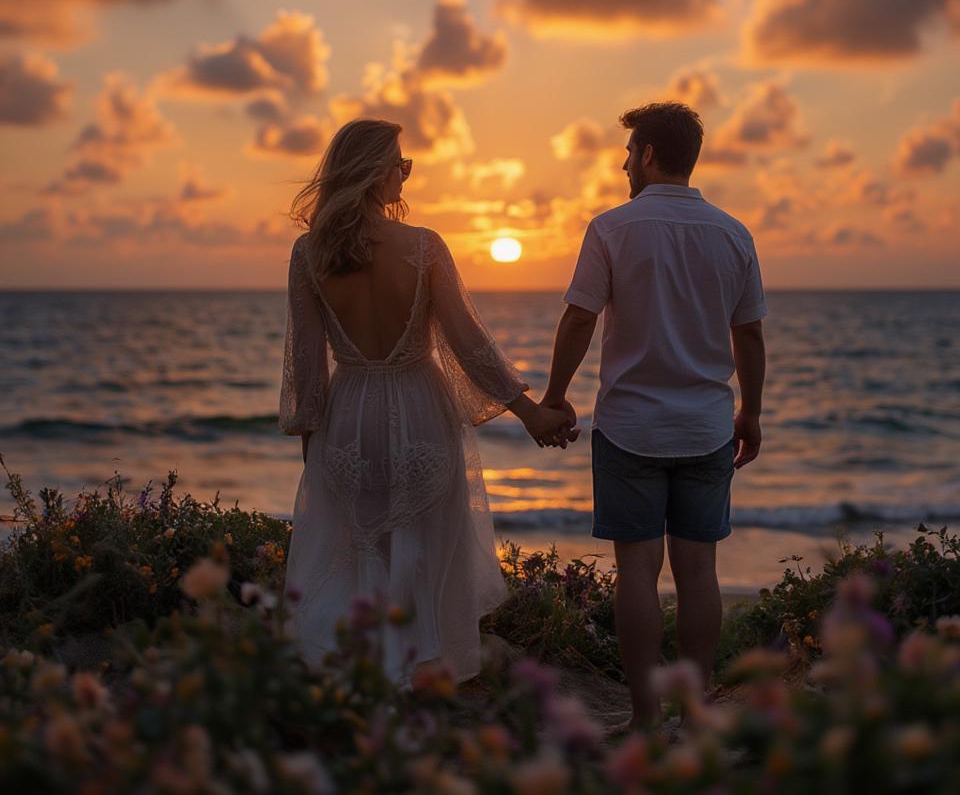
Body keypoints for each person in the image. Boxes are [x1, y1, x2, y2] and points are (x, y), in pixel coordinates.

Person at [278, 118, 571, 684]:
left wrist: (314, 449)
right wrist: (532, 413)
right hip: (419, 409)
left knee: (358, 548)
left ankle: (364, 673)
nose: (405, 176)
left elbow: (307, 368)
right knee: (427, 548)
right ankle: (419, 674)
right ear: (374, 173)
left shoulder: (308, 254)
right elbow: (470, 346)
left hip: (349, 417)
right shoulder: (423, 246)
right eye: (401, 165)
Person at [540, 101, 767, 727]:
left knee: (636, 572)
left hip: (631, 427)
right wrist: (751, 410)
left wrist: (556, 397)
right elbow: (747, 335)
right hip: (705, 427)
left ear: (645, 155)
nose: (622, 163)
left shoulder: (611, 228)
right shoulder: (732, 233)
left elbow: (580, 317)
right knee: (699, 572)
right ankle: (692, 715)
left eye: (628, 152)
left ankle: (644, 718)